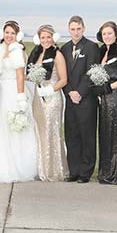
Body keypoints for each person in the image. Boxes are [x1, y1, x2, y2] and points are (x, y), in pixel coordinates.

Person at [0, 21, 38, 182]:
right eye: (7, 32)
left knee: (16, 127)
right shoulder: (2, 48)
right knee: (1, 127)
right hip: (2, 91)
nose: (9, 35)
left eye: (12, 33)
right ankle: (2, 162)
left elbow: (20, 75)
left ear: (17, 36)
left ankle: (20, 164)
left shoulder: (17, 50)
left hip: (14, 91)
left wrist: (21, 97)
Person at [59, 16, 101, 183]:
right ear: (69, 30)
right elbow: (63, 75)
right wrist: (69, 92)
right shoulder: (64, 49)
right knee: (72, 135)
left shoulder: (92, 47)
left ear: (83, 29)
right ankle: (74, 170)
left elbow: (91, 72)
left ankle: (85, 172)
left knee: (87, 136)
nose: (75, 32)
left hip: (86, 99)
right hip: (70, 99)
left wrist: (80, 92)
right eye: (73, 29)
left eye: (78, 29)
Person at [92, 21, 117, 185]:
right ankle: (107, 171)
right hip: (103, 98)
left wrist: (108, 87)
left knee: (115, 133)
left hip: (115, 96)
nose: (107, 36)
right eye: (104, 34)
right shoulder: (102, 52)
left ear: (116, 35)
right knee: (105, 132)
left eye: (109, 33)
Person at [28, 24, 69, 182]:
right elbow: (29, 74)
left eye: (48, 37)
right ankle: (43, 168)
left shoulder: (57, 55)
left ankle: (54, 170)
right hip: (38, 97)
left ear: (53, 38)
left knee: (51, 133)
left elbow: (64, 79)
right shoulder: (36, 53)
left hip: (52, 98)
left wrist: (50, 90)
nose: (46, 40)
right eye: (43, 37)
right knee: (40, 133)